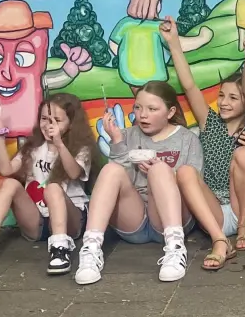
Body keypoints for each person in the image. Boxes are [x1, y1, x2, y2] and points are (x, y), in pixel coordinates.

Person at [77, 81, 202, 285]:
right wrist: (117, 141)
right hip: (134, 220)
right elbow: (118, 183)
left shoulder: (187, 139)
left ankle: (176, 248)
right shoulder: (126, 135)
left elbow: (195, 185)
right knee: (110, 170)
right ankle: (90, 250)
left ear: (170, 112)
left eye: (152, 109)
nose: (143, 115)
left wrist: (162, 173)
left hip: (170, 219)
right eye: (138, 107)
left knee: (160, 169)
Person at [163, 19, 245, 266]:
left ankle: (244, 226)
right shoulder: (210, 122)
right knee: (186, 172)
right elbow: (189, 85)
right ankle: (220, 240)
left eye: (233, 97)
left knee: (243, 156)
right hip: (213, 210)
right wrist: (174, 43)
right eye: (221, 96)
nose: (224, 102)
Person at [0, 93, 96, 273]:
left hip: (71, 222)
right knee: (9, 184)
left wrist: (60, 145)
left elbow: (74, 172)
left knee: (53, 188)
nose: (49, 125)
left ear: (71, 123)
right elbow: (6, 170)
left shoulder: (81, 149)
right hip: (37, 222)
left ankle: (60, 249)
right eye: (44, 119)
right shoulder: (33, 148)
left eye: (57, 120)